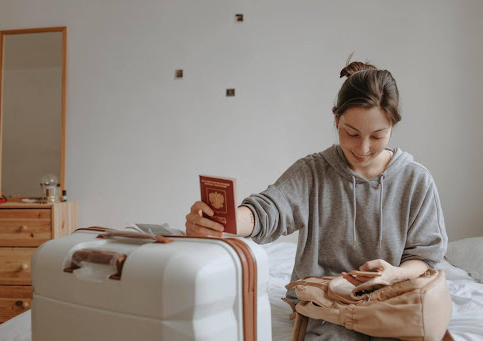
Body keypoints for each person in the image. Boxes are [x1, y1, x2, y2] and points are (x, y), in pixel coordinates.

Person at [185, 57, 448, 340]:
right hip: (324, 303)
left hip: (391, 300)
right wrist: (223, 222)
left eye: (377, 136)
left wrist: (393, 274)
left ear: (393, 126)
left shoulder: (416, 180)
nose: (363, 148)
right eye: (351, 133)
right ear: (336, 120)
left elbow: (425, 257)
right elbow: (269, 209)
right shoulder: (313, 172)